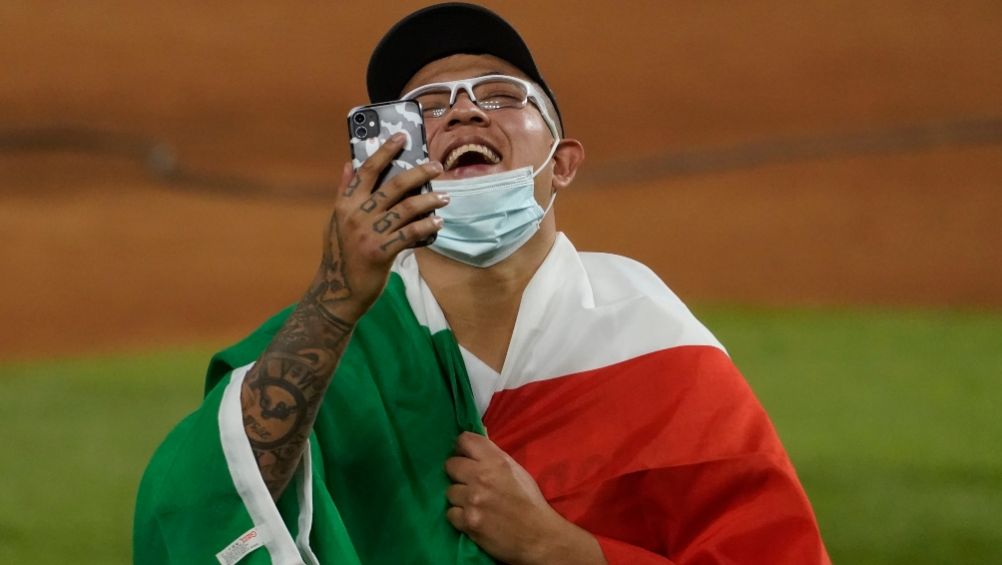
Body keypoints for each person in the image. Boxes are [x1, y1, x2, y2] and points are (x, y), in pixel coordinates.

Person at [135, 3, 830, 564]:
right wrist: (337, 295)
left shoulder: (646, 339)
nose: (465, 112)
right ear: (377, 164)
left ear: (563, 163)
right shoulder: (343, 333)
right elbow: (206, 494)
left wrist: (562, 550)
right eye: (429, 107)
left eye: (501, 96)